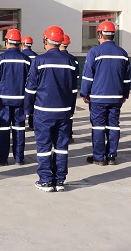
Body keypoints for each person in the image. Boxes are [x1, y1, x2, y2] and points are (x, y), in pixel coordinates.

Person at [25, 25, 77, 192]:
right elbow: (73, 90)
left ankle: (46, 180)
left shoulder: (39, 61)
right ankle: (60, 181)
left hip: (43, 111)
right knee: (61, 147)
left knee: (44, 147)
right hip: (64, 112)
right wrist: (71, 110)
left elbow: (30, 89)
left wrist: (28, 110)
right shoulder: (71, 61)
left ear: (46, 40)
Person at [80, 21, 130, 166]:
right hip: (116, 97)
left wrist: (85, 93)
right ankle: (111, 156)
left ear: (100, 34)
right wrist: (124, 95)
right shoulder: (123, 53)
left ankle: (99, 157)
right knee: (113, 126)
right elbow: (127, 79)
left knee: (98, 127)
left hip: (98, 97)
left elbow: (88, 76)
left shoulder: (94, 52)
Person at [0, 29, 30, 166]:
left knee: (4, 128)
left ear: (6, 41)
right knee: (19, 128)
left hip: (4, 100)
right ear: (19, 43)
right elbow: (31, 82)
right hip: (21, 100)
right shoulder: (26, 60)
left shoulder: (0, 59)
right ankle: (19, 158)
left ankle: (3, 158)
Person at [60, 34, 79, 142]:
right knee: (69, 113)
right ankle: (69, 134)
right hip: (71, 90)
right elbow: (76, 77)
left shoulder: (54, 58)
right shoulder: (73, 59)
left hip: (59, 91)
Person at [21, 36, 38, 130]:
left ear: (23, 44)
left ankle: (22, 121)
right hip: (33, 84)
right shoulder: (36, 56)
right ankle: (32, 123)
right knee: (33, 103)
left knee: (23, 104)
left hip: (22, 84)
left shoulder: (21, 55)